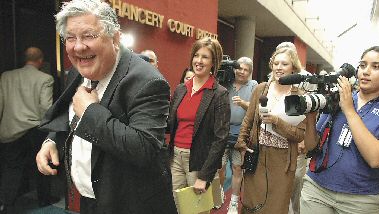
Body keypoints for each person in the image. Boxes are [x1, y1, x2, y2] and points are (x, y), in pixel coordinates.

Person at [35, 0, 177, 213]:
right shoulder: (78, 71)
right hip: (91, 200)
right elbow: (69, 113)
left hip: (132, 205)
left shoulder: (147, 81)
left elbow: (144, 149)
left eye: (89, 36)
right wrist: (52, 140)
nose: (78, 46)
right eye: (70, 38)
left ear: (115, 38)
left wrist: (91, 112)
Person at [300, 46, 379, 214]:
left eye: (376, 66)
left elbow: (376, 158)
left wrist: (348, 110)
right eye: (362, 65)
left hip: (361, 199)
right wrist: (310, 118)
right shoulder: (335, 99)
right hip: (316, 188)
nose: (365, 72)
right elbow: (310, 147)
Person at [235, 47, 309, 214]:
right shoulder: (261, 89)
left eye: (284, 64)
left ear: (293, 68)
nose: (279, 67)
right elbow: (248, 118)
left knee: (275, 207)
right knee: (252, 204)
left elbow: (298, 135)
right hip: (257, 155)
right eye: (276, 63)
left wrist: (277, 121)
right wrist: (241, 144)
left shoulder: (297, 96)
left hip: (282, 162)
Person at [168, 37, 230, 211]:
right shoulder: (181, 89)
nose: (199, 61)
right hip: (176, 158)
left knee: (197, 210)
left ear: (214, 62)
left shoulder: (219, 94)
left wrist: (205, 176)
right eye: (196, 55)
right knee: (177, 207)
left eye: (205, 57)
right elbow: (170, 124)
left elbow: (221, 138)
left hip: (199, 160)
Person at [0, 47, 54, 213]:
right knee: (42, 166)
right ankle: (44, 200)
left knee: (11, 168)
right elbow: (46, 108)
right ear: (40, 60)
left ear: (25, 59)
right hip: (34, 130)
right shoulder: (45, 78)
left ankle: (6, 204)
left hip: (10, 130)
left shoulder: (6, 76)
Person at [275, 41, 313, 214]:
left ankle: (296, 211)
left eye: (286, 59)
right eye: (277, 59)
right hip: (275, 139)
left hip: (297, 137)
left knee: (296, 180)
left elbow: (313, 111)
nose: (280, 66)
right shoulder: (273, 77)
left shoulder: (305, 79)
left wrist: (304, 138)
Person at [218, 57, 257, 214]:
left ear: (250, 72)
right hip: (222, 132)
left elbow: (256, 108)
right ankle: (219, 191)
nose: (241, 71)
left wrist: (243, 103)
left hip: (241, 135)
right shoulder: (226, 82)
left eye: (246, 69)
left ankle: (233, 201)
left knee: (237, 168)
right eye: (239, 68)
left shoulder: (253, 86)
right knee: (219, 167)